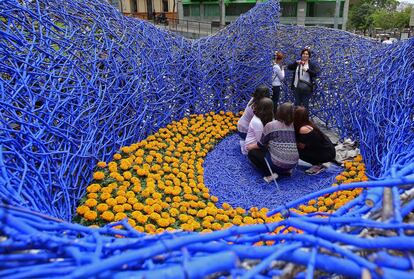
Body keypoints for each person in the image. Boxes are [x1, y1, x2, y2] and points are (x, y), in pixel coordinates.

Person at [247, 102, 299, 182]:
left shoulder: (271, 125)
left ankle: (271, 174)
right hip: (293, 163)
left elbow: (261, 144)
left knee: (252, 153)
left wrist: (250, 147)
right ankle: (286, 171)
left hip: (278, 163)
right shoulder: (293, 125)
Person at [294, 106, 336, 174]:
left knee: (295, 152)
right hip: (328, 150)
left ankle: (318, 164)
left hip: (326, 154)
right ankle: (318, 162)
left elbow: (302, 146)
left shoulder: (303, 129)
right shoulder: (307, 123)